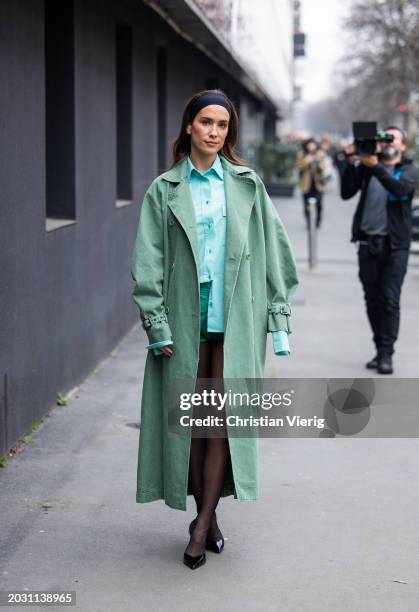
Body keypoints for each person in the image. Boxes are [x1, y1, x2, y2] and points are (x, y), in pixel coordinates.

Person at [130, 89, 298, 570]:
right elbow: (149, 260)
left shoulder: (247, 185)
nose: (214, 132)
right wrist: (156, 323)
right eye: (206, 122)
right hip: (185, 322)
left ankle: (201, 525)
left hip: (237, 322)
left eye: (223, 125)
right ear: (189, 126)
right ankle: (210, 516)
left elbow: (276, 252)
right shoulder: (165, 189)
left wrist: (279, 320)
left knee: (221, 425)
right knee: (192, 427)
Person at [340, 126, 419, 374]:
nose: (387, 143)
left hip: (395, 246)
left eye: (392, 139)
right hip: (367, 243)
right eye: (383, 139)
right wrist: (350, 161)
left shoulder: (408, 170)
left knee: (389, 300)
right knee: (372, 301)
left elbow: (400, 190)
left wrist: (374, 165)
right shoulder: (367, 167)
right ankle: (379, 349)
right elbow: (345, 193)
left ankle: (387, 354)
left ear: (403, 146)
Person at [297, 138, 327, 228]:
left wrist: (317, 161)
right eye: (309, 145)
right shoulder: (302, 154)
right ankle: (308, 221)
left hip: (318, 184)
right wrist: (308, 160)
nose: (311, 147)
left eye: (313, 145)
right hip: (306, 184)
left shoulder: (320, 154)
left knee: (319, 204)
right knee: (306, 204)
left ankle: (317, 220)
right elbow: (300, 166)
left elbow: (323, 168)